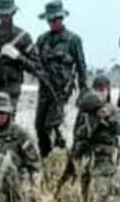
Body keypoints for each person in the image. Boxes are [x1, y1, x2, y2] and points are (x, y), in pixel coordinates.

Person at [34, 1, 88, 158]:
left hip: (61, 92)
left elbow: (81, 66)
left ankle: (61, 158)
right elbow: (35, 63)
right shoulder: (42, 40)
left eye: (55, 19)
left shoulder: (73, 40)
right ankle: (46, 158)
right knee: (39, 127)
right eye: (50, 20)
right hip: (44, 91)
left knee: (52, 125)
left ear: (61, 18)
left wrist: (83, 89)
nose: (53, 23)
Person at [0, 0, 38, 118]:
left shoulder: (23, 37)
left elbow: (35, 67)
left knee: (8, 126)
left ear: (13, 13)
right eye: (1, 15)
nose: (3, 18)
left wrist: (18, 56)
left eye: (6, 15)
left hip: (11, 88)